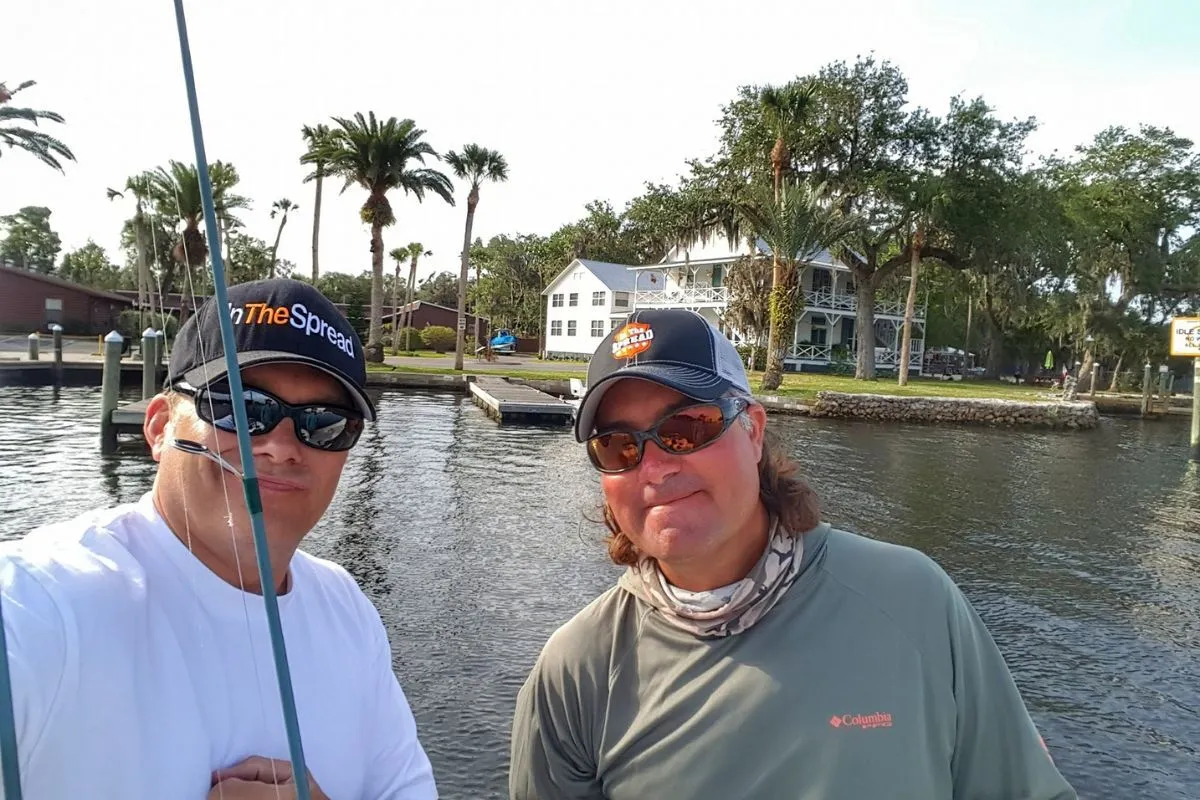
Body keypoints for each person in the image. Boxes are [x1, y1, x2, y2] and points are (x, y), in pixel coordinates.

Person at [509, 308, 1077, 800]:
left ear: (753, 431)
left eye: (687, 427)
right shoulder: (576, 673)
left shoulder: (914, 602)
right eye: (618, 445)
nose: (655, 467)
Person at [0, 278, 437, 799]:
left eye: (324, 423)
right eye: (241, 407)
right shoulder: (39, 604)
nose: (280, 447)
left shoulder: (346, 607)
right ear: (160, 426)